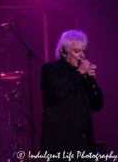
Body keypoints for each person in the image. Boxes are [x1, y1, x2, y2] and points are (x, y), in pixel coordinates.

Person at [40, 30, 103, 162]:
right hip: (60, 147)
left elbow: (97, 106)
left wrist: (92, 83)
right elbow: (57, 91)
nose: (82, 56)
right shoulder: (50, 69)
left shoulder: (81, 74)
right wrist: (79, 73)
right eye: (76, 51)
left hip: (83, 146)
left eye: (84, 52)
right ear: (63, 51)